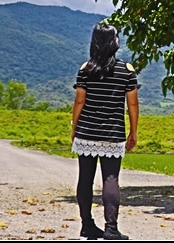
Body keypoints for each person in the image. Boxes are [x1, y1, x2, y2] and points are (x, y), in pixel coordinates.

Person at [71, 23, 139, 240]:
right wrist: (133, 132)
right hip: (113, 132)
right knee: (111, 178)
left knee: (85, 178)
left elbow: (79, 100)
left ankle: (87, 226)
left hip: (86, 131)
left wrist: (75, 127)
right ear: (114, 43)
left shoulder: (85, 69)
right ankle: (111, 228)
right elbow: (133, 105)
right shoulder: (126, 70)